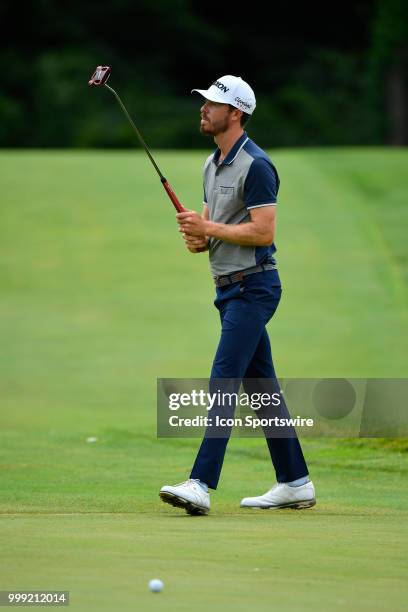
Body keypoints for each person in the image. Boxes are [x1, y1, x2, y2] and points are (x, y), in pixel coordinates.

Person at [159, 75, 315, 515]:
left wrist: (208, 229)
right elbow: (210, 231)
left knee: (223, 380)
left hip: (254, 287)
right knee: (261, 386)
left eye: (213, 104)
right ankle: (295, 481)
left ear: (237, 113)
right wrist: (198, 236)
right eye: (204, 102)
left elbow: (264, 231)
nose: (204, 109)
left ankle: (201, 483)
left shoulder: (257, 164)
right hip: (228, 291)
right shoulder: (212, 165)